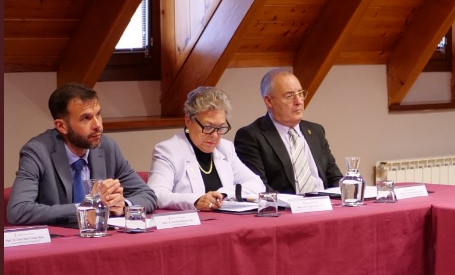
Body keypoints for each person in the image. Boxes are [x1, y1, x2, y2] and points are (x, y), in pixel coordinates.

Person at [7, 83, 157, 226]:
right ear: (61, 126)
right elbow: (18, 210)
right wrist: (89, 207)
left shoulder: (107, 148)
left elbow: (147, 195)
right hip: (59, 239)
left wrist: (122, 205)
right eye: (86, 118)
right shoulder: (37, 152)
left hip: (101, 236)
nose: (97, 125)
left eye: (98, 114)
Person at [147, 87, 266, 211]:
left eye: (220, 128)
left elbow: (256, 184)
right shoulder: (168, 151)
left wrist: (224, 194)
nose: (214, 135)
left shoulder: (225, 148)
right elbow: (156, 194)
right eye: (208, 127)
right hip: (190, 221)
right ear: (188, 121)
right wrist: (196, 200)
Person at [233, 69, 342, 194]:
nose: (299, 101)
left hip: (325, 203)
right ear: (269, 101)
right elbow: (259, 187)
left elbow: (334, 178)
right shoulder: (251, 136)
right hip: (285, 205)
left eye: (300, 93)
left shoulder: (316, 131)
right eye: (289, 96)